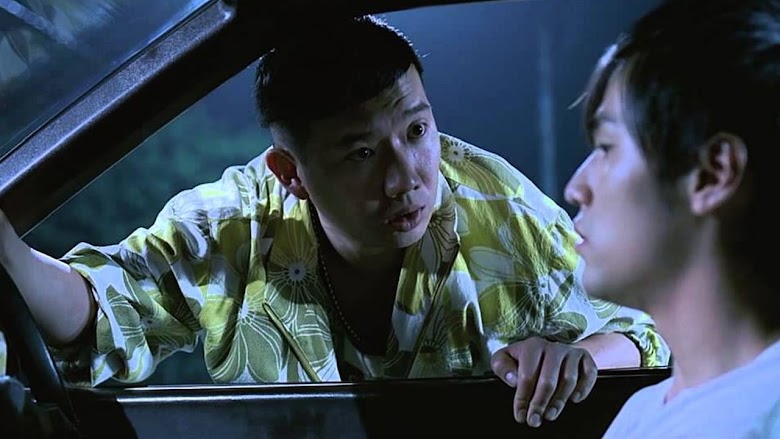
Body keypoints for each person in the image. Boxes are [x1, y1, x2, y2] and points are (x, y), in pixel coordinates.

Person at [0, 15, 668, 427]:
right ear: (290, 172)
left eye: (418, 130)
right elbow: (102, 310)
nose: (407, 176)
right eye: (361, 153)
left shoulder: (501, 212)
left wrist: (577, 358)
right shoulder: (235, 224)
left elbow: (649, 330)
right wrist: (7, 248)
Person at [563, 0, 780, 436]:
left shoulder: (755, 419)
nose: (576, 188)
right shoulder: (648, 409)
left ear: (712, 173)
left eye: (606, 148)